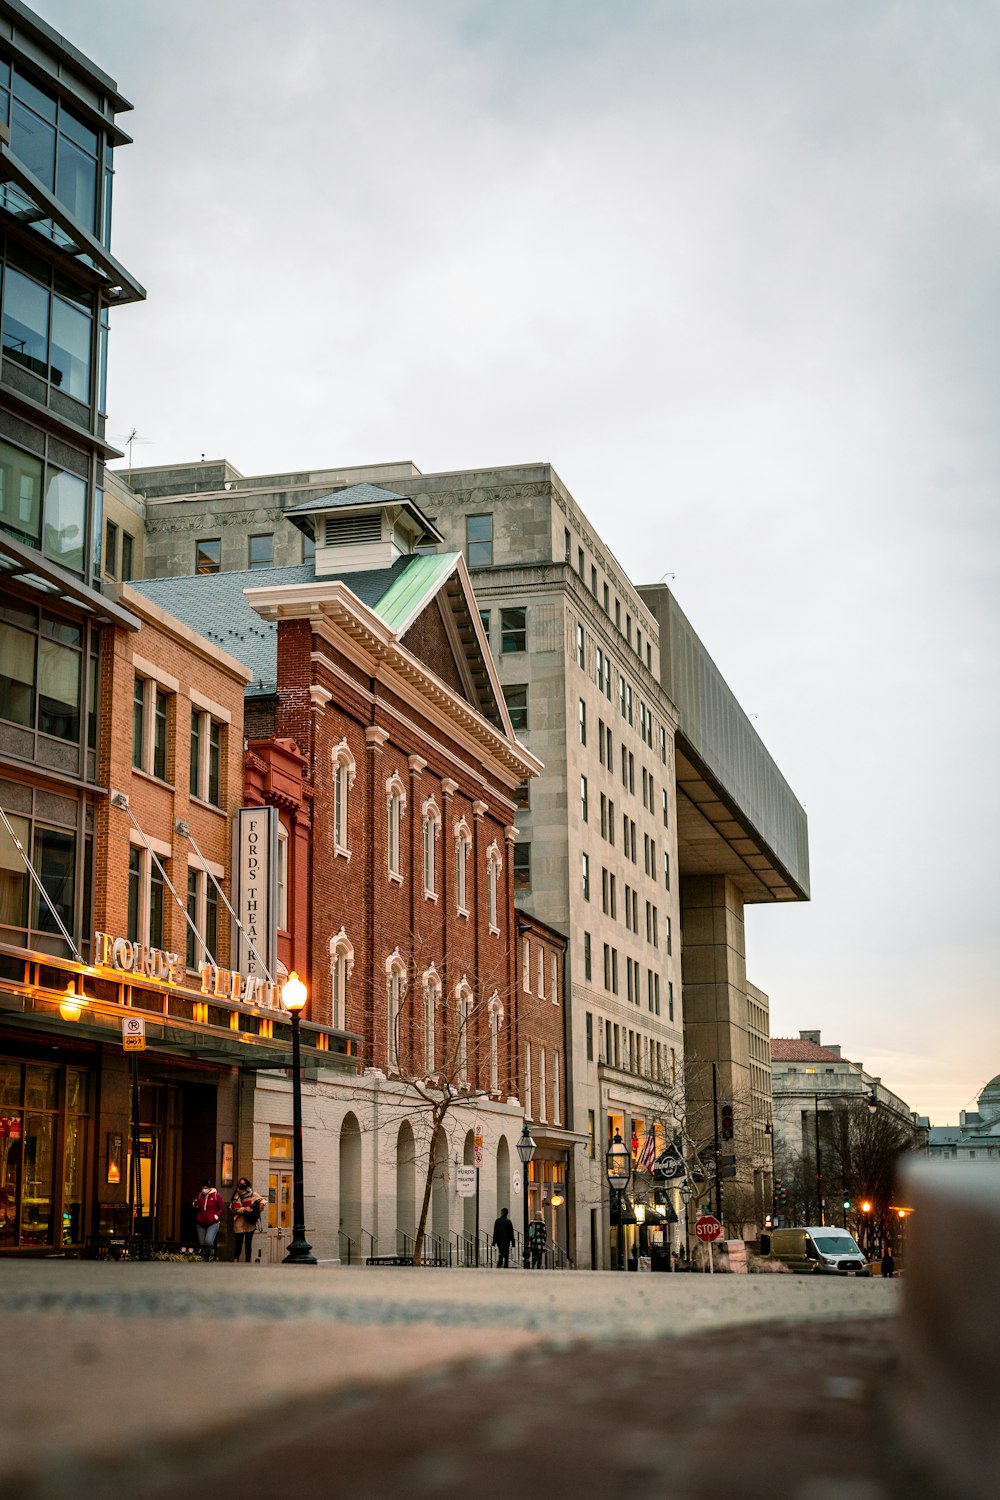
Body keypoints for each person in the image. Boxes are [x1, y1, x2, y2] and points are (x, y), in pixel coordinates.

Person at [230, 1176, 265, 1263]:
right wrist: (245, 1209)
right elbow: (233, 1209)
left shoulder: (252, 1193)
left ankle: (247, 1262)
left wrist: (258, 1211)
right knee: (238, 1243)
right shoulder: (236, 1195)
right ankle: (235, 1261)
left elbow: (263, 1201)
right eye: (240, 1184)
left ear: (247, 1184)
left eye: (244, 1184)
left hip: (249, 1222)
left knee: (248, 1244)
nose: (242, 1185)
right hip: (239, 1222)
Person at [192, 1179, 224, 1261]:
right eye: (202, 1188)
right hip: (200, 1223)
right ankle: (205, 1260)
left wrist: (216, 1216)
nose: (204, 1189)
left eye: (205, 1188)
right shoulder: (199, 1195)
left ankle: (212, 1254)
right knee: (202, 1244)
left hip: (213, 1223)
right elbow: (196, 1205)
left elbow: (221, 1208)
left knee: (208, 1241)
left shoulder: (216, 1195)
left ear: (210, 1188)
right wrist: (195, 1204)